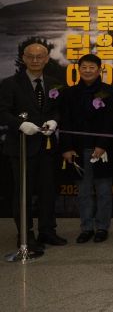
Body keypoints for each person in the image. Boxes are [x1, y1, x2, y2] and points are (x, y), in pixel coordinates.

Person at [0, 40, 66, 250]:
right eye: (31, 56)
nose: (35, 60)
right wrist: (20, 124)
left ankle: (47, 231)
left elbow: (57, 109)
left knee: (48, 191)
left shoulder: (55, 83)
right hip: (21, 148)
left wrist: (54, 121)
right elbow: (2, 112)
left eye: (40, 57)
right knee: (23, 193)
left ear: (46, 59)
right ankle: (25, 234)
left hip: (47, 147)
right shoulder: (10, 83)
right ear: (24, 58)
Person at [59, 53, 113, 244]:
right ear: (78, 69)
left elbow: (111, 121)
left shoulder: (109, 91)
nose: (87, 70)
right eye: (84, 67)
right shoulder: (69, 93)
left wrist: (102, 145)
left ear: (99, 69)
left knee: (103, 191)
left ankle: (102, 227)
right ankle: (86, 228)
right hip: (78, 149)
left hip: (102, 150)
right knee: (83, 192)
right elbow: (64, 121)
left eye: (92, 67)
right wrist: (67, 148)